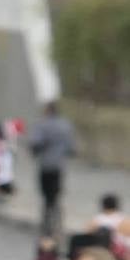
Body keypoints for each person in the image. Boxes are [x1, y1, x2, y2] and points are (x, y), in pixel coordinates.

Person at [28, 102, 78, 237]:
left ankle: (46, 225)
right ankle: (57, 223)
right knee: (55, 195)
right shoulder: (66, 126)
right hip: (59, 166)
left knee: (46, 196)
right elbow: (72, 149)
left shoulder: (42, 125)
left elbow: (35, 144)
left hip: (45, 165)